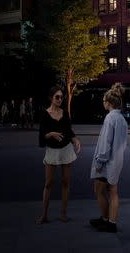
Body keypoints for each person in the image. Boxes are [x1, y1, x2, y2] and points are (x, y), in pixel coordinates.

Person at [37, 86, 80, 224]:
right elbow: (42, 135)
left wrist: (75, 140)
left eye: (61, 97)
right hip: (52, 150)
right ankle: (44, 215)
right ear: (51, 98)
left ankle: (63, 214)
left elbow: (69, 130)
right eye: (57, 97)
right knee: (48, 183)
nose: (60, 99)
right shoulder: (45, 114)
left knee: (66, 182)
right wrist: (51, 134)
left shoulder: (65, 113)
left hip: (66, 149)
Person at [90, 83, 128, 233]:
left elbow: (105, 144)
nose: (103, 102)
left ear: (110, 103)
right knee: (113, 192)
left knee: (99, 191)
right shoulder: (122, 120)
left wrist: (100, 162)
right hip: (117, 160)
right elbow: (122, 143)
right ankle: (109, 221)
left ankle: (107, 220)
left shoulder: (109, 119)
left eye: (104, 100)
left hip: (107, 162)